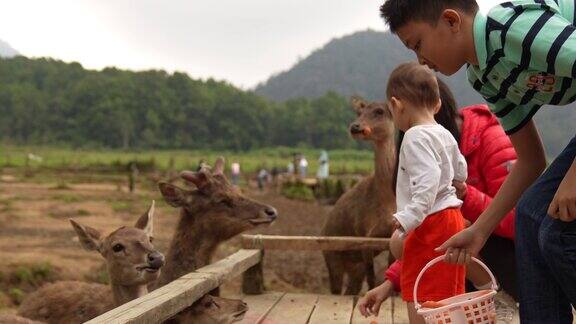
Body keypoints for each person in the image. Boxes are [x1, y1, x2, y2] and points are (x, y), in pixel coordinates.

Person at [380, 1, 576, 322]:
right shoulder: (484, 76)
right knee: (530, 214)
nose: (421, 61)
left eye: (418, 44)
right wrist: (480, 231)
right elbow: (530, 160)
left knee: (556, 233)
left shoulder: (515, 30)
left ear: (451, 21)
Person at [358, 78, 518, 320]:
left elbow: (519, 220)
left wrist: (466, 195)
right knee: (401, 242)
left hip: (508, 251)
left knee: (436, 235)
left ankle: (499, 296)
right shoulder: (443, 142)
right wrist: (390, 283)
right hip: (453, 243)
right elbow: (426, 243)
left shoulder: (484, 140)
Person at [364, 62, 467, 323]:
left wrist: (408, 218)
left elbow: (428, 182)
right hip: (452, 218)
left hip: (430, 223)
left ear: (397, 106)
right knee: (445, 293)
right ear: (437, 105)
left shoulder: (413, 137)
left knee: (421, 293)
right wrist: (456, 183)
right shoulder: (444, 133)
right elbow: (461, 169)